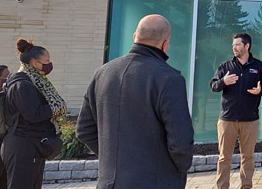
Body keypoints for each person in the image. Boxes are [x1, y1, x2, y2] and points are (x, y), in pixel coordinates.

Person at [76, 14, 194, 189]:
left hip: (109, 182)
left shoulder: (102, 73)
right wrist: (177, 171)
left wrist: (115, 158)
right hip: (155, 181)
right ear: (165, 43)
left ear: (134, 37)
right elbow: (181, 143)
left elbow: (84, 131)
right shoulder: (169, 79)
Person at [2, 38, 68, 189]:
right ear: (35, 63)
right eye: (47, 60)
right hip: (23, 146)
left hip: (32, 144)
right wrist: (56, 107)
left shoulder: (35, 82)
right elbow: (33, 114)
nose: (49, 64)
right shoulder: (22, 84)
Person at [210, 33, 262, 189]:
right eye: (233, 45)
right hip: (227, 119)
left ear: (247, 46)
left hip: (250, 120)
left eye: (237, 44)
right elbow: (213, 85)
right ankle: (222, 187)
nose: (234, 47)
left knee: (248, 157)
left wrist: (261, 90)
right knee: (224, 158)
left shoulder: (259, 66)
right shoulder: (226, 66)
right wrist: (223, 81)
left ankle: (246, 186)